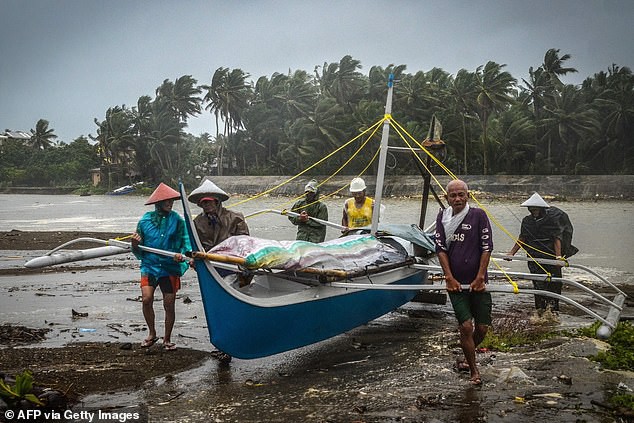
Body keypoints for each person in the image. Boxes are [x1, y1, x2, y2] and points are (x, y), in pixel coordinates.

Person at [434, 179, 493, 386]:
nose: (457, 198)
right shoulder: (443, 217)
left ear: (468, 195)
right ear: (447, 198)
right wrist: (449, 278)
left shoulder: (479, 216)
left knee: (482, 328)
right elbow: (440, 249)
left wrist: (479, 277)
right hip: (456, 284)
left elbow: (487, 247)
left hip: (479, 282)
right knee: (466, 327)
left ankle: (467, 352)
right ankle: (473, 370)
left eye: (461, 194)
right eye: (453, 195)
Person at [131, 182, 191, 351]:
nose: (170, 203)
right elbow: (137, 245)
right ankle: (152, 333)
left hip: (169, 266)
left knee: (169, 303)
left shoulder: (178, 221)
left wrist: (183, 255)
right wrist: (134, 244)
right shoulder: (145, 221)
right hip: (149, 265)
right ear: (158, 202)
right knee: (146, 299)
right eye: (166, 200)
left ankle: (167, 339)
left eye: (172, 200)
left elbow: (186, 243)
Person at [507, 192, 578, 313]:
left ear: (542, 209)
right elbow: (522, 238)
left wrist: (558, 257)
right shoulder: (527, 221)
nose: (534, 211)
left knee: (554, 285)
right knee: (538, 285)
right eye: (532, 209)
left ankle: (553, 311)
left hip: (550, 257)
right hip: (534, 258)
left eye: (536, 209)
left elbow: (557, 238)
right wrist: (511, 253)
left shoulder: (551, 220)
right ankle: (540, 311)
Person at [187, 179, 250, 251]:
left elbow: (244, 242)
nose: (207, 205)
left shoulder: (236, 218)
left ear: (217, 202)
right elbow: (195, 245)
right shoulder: (197, 222)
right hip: (207, 257)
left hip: (232, 257)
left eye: (209, 202)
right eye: (204, 202)